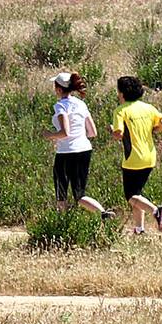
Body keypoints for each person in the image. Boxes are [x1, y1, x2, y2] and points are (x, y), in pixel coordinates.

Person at [110, 76, 162, 235]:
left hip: (132, 158)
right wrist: (151, 130)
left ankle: (157, 211)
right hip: (150, 156)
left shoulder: (120, 111)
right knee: (138, 194)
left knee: (130, 196)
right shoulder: (149, 108)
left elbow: (118, 134)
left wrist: (112, 131)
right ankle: (139, 228)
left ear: (122, 93)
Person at [44, 73, 108, 217]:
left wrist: (50, 135)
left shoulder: (60, 106)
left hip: (66, 152)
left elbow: (64, 132)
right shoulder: (81, 104)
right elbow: (92, 132)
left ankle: (61, 222)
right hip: (84, 149)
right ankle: (103, 213)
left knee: (61, 190)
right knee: (79, 194)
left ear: (59, 89)